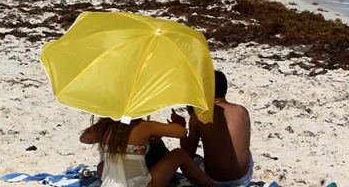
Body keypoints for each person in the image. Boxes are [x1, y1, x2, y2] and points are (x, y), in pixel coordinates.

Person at [81, 116, 215, 187]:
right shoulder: (144, 126)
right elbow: (181, 132)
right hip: (140, 185)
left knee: (102, 166)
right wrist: (179, 122)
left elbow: (84, 138)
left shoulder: (105, 127)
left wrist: (105, 123)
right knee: (178, 154)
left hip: (110, 184)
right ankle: (211, 186)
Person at [176, 70, 253, 187]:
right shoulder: (242, 111)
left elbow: (188, 154)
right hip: (242, 179)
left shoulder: (199, 116)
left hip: (214, 181)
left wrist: (181, 128)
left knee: (189, 160)